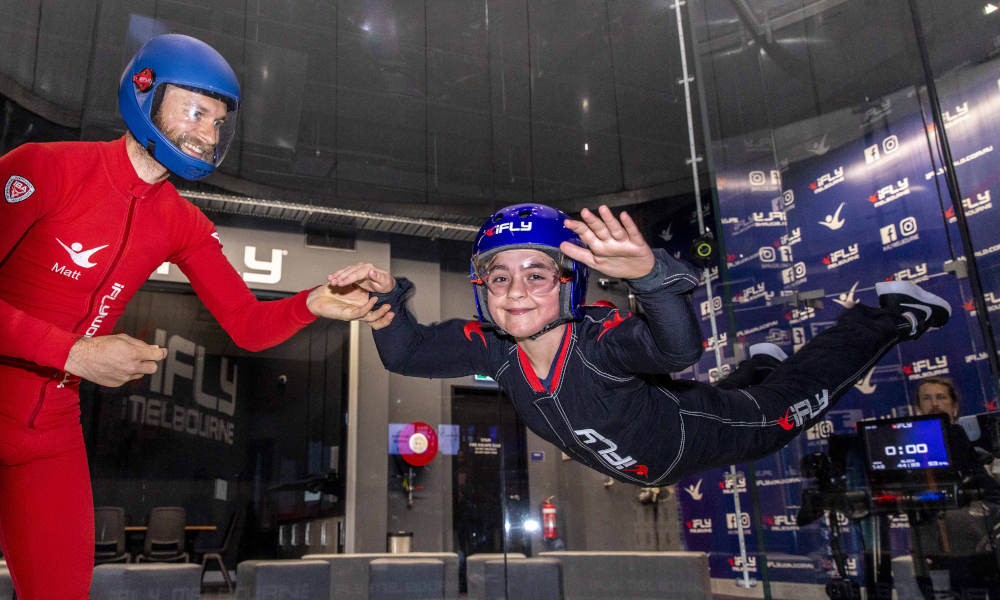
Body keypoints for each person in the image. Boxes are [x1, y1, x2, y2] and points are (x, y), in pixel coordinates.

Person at [0, 34, 386, 599]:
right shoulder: (43, 168)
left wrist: (310, 304)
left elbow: (247, 325)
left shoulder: (180, 221)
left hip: (50, 430)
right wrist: (73, 353)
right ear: (144, 91)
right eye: (198, 112)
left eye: (219, 123)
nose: (209, 135)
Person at [328, 202, 952, 490]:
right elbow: (408, 353)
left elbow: (673, 350)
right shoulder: (493, 347)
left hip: (691, 434)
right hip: (648, 454)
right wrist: (380, 306)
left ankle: (894, 314)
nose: (515, 291)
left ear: (568, 283)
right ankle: (759, 365)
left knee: (786, 411)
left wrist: (650, 278)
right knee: (733, 388)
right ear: (482, 288)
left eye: (536, 274)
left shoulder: (598, 341)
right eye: (500, 276)